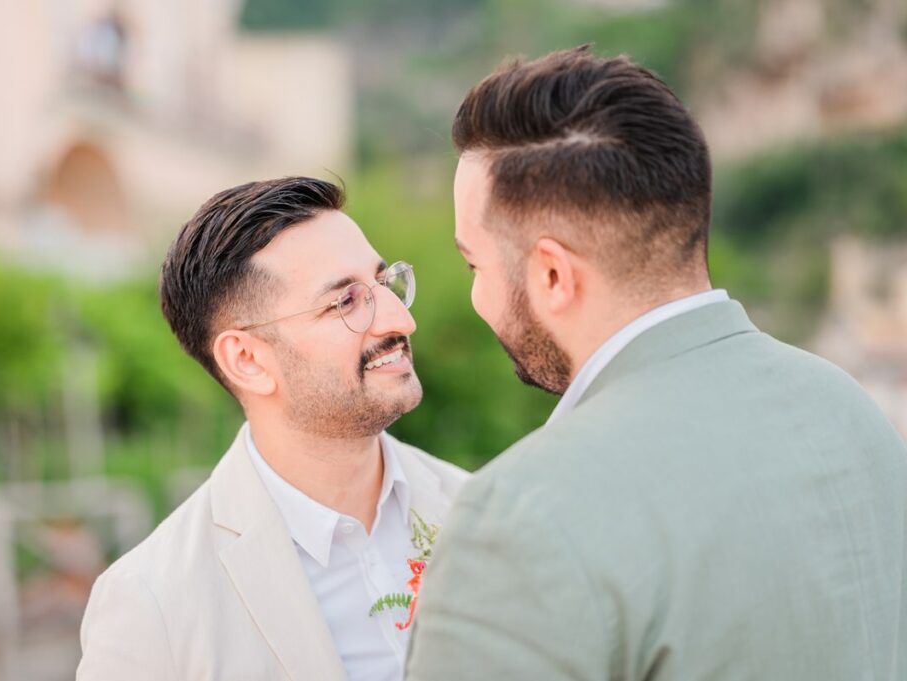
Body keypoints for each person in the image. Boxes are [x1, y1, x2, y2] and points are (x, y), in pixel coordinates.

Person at [405, 46, 907, 680]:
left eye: (473, 264)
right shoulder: (852, 413)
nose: (475, 292)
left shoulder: (522, 517)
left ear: (554, 274)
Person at [77, 177, 467, 681]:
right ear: (246, 360)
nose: (399, 320)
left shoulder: (482, 509)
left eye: (383, 283)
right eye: (346, 301)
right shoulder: (151, 605)